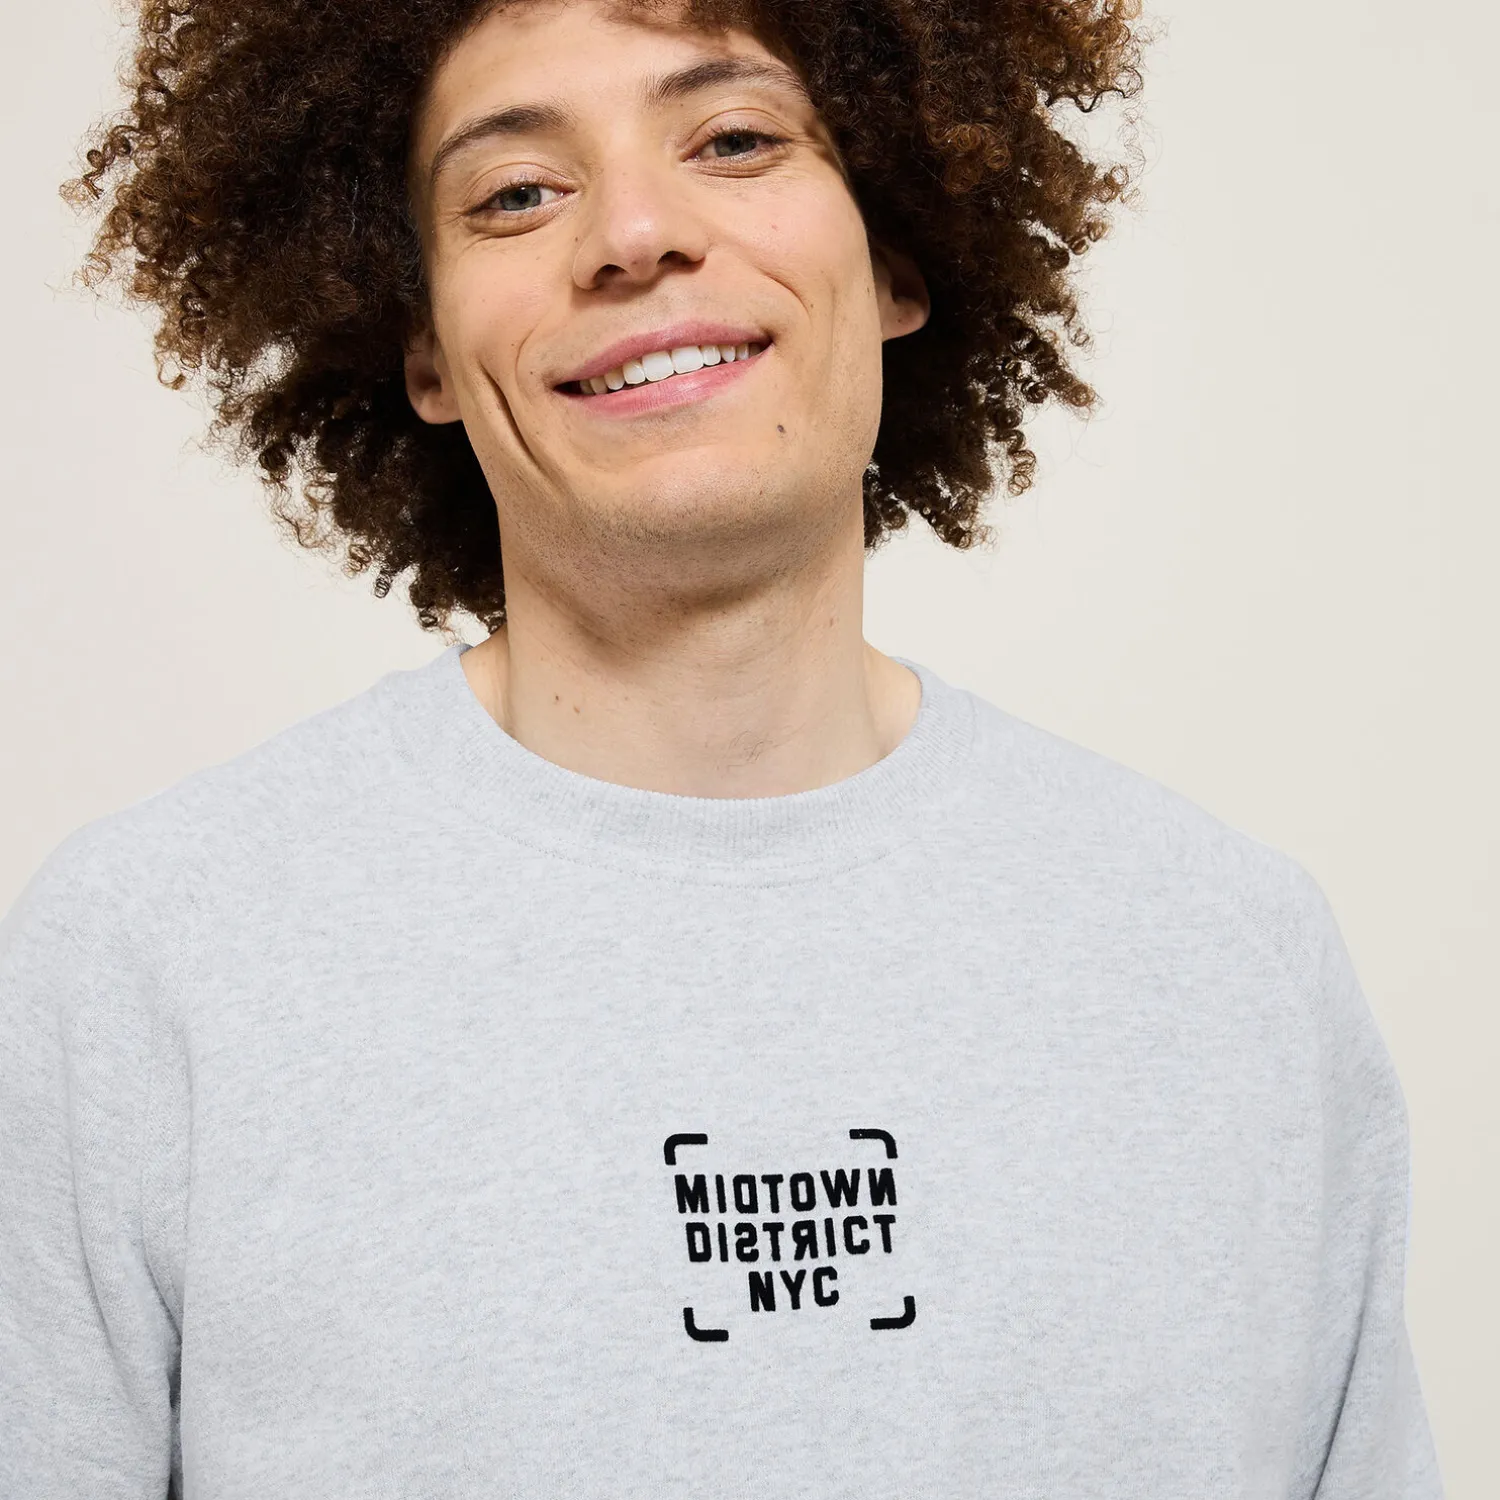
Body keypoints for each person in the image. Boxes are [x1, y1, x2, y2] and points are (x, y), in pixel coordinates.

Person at [0, 0, 1443, 1495]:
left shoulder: (1235, 959)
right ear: (423, 347)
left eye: (737, 139)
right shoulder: (147, 966)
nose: (633, 234)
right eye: (517, 193)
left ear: (892, 260)